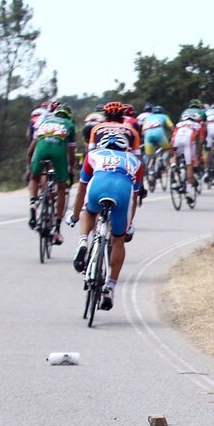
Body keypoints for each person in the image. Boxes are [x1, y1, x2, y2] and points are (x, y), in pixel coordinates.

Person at [67, 130, 143, 311]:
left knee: (89, 211)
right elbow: (134, 198)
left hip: (97, 188)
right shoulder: (135, 161)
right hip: (123, 191)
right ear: (125, 147)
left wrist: (75, 215)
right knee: (118, 240)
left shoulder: (92, 154)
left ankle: (83, 242)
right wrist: (129, 224)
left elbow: (81, 191)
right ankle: (110, 287)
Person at [28, 104, 77, 244]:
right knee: (62, 188)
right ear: (68, 116)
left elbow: (32, 146)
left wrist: (29, 167)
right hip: (58, 153)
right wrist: (71, 170)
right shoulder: (69, 124)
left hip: (41, 150)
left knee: (34, 178)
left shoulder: (44, 121)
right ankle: (56, 229)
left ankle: (32, 206)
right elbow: (71, 153)